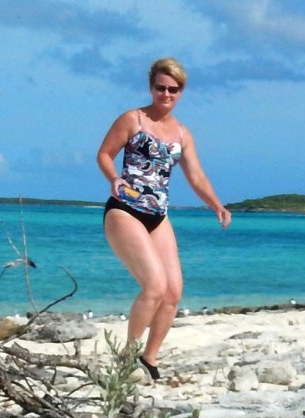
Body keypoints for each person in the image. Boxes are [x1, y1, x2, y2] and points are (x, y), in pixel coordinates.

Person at [96, 57, 231, 381]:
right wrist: (114, 178)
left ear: (181, 91)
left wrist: (216, 204)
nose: (166, 94)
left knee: (172, 292)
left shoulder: (182, 134)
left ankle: (149, 358)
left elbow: (196, 176)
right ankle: (126, 357)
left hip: (158, 215)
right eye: (161, 87)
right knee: (154, 285)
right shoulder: (133, 119)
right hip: (125, 209)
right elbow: (104, 154)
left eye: (173, 89)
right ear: (151, 87)